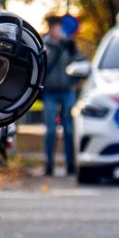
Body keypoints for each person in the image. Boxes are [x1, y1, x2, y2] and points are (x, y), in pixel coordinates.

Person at [40, 15, 82, 177]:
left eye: (57, 26)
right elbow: (40, 65)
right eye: (52, 26)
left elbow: (80, 63)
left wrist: (75, 80)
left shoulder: (69, 44)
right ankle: (49, 164)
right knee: (50, 130)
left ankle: (70, 164)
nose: (55, 29)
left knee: (69, 130)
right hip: (50, 91)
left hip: (67, 91)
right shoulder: (43, 44)